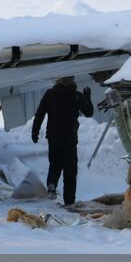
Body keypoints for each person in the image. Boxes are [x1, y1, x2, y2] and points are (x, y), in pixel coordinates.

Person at [31, 77, 94, 206]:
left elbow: (40, 114)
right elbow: (88, 112)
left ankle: (52, 184)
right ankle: (69, 202)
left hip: (53, 137)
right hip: (69, 139)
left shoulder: (50, 94)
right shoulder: (76, 96)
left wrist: (35, 131)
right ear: (72, 82)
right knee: (70, 171)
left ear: (58, 82)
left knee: (55, 163)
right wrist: (87, 99)